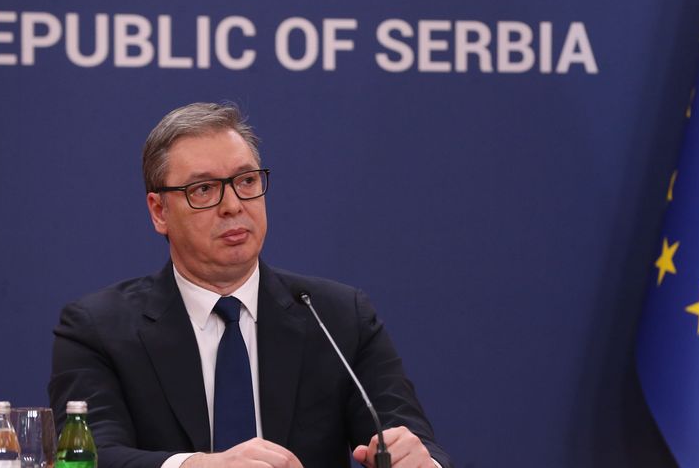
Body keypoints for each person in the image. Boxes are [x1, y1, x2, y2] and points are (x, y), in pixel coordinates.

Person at [48, 102, 451, 468]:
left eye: (246, 181)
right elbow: (88, 458)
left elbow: (407, 434)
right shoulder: (98, 329)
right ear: (159, 212)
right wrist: (199, 467)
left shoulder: (338, 317)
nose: (233, 205)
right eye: (204, 189)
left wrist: (421, 462)